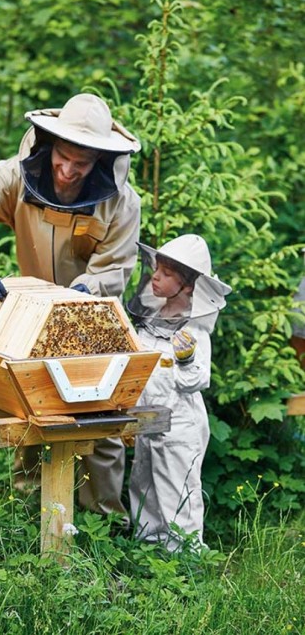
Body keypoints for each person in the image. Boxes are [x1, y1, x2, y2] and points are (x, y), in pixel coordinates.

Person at [0, 93, 142, 517]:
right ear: (50, 146)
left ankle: (105, 526)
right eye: (62, 158)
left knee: (100, 422)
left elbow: (115, 268)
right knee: (29, 408)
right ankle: (27, 512)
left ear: (99, 161)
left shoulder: (121, 202)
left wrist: (85, 291)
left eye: (80, 164)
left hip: (89, 319)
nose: (67, 172)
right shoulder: (14, 176)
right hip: (25, 317)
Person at [126, 234, 232, 551]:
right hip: (148, 419)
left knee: (176, 490)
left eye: (167, 273)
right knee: (143, 483)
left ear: (187, 285)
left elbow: (197, 380)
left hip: (180, 424)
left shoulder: (195, 329)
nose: (156, 277)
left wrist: (184, 360)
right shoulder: (152, 316)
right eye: (157, 269)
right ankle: (147, 551)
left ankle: (185, 559)